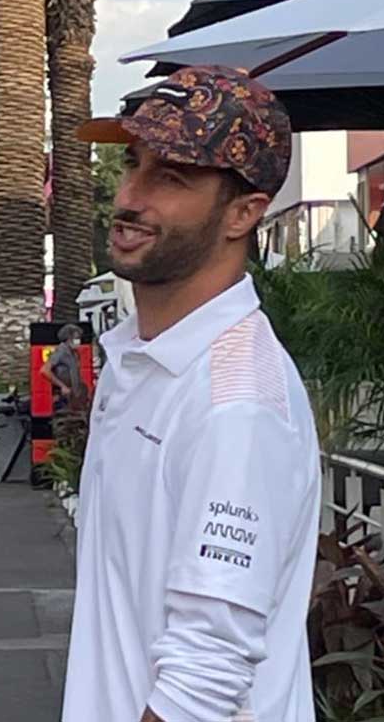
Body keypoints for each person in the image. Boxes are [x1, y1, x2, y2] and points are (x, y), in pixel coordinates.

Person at [62, 66, 319, 722]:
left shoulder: (236, 402)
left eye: (171, 177)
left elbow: (203, 680)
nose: (131, 195)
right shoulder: (139, 359)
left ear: (243, 213)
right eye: (133, 163)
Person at [40, 324, 87, 411]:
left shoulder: (74, 353)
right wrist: (62, 386)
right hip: (63, 397)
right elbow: (44, 371)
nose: (78, 341)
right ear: (68, 339)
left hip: (74, 396)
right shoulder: (61, 351)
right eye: (76, 338)